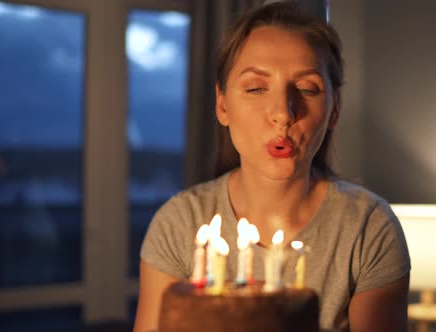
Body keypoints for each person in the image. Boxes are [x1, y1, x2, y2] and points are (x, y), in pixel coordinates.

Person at [134, 3, 410, 332]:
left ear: (334, 109)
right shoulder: (180, 226)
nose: (282, 112)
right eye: (255, 88)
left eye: (308, 89)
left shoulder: (367, 230)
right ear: (222, 105)